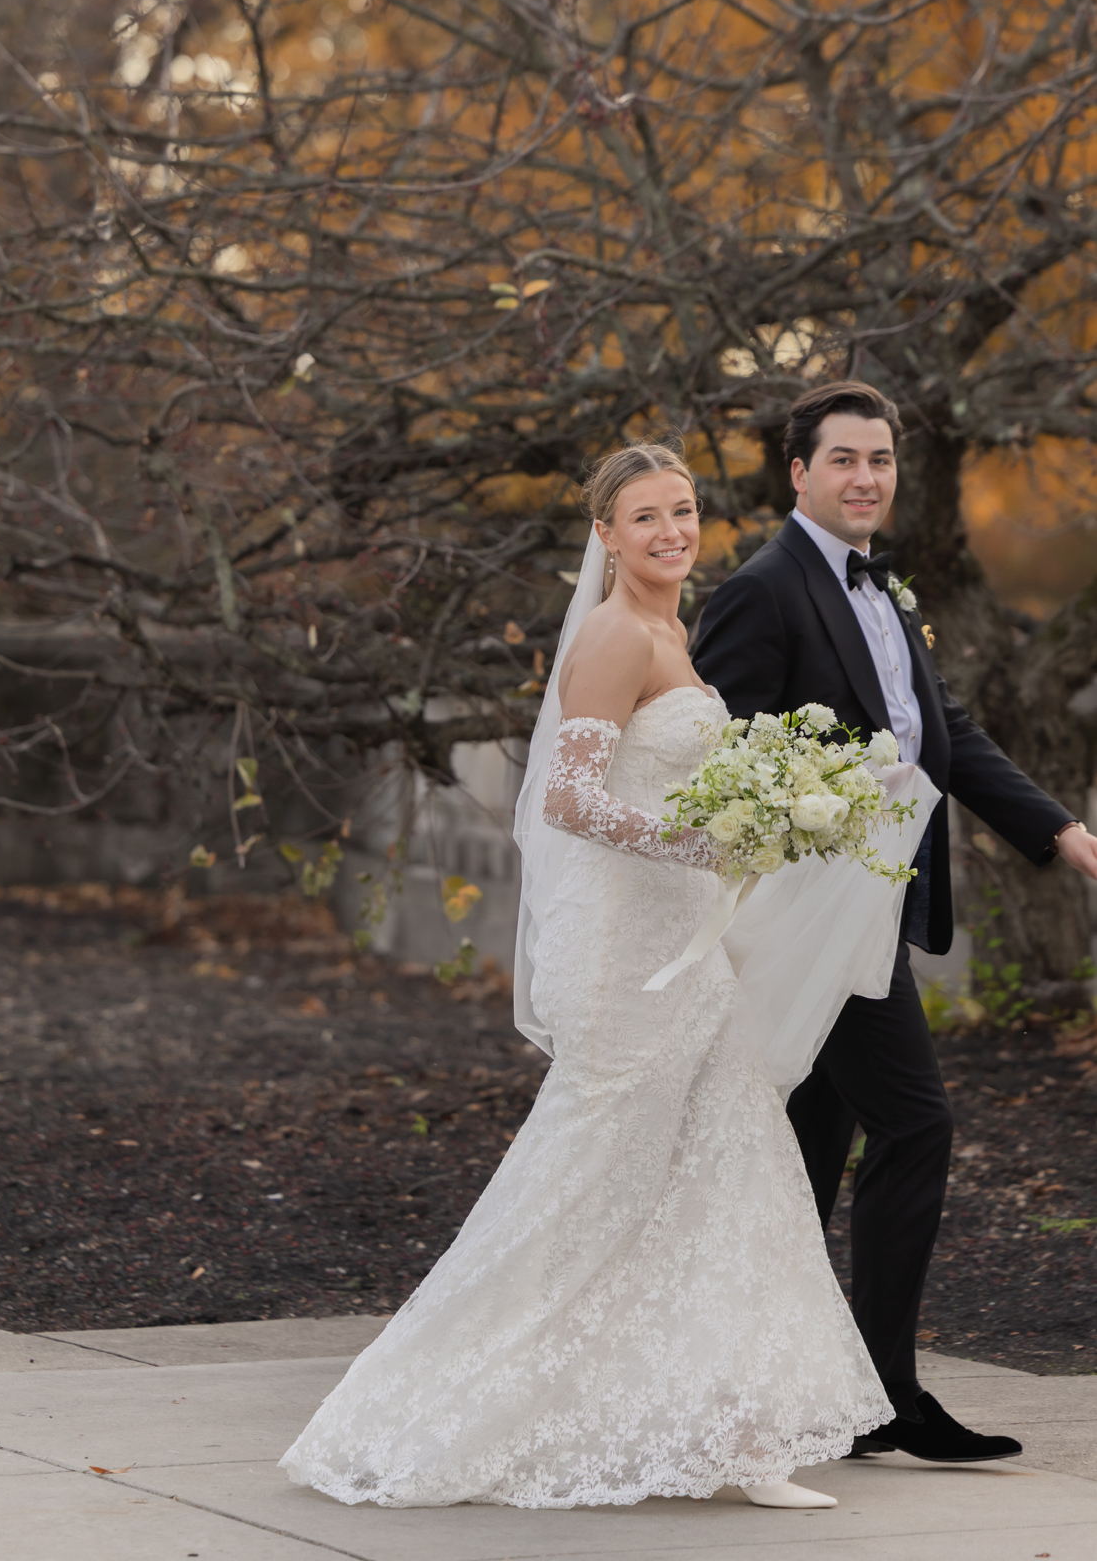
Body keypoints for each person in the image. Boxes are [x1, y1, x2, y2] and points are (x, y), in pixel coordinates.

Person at [281, 441, 897, 1513]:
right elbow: (568, 799)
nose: (670, 531)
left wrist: (769, 810)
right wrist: (702, 842)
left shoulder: (673, 631)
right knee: (583, 1183)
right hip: (624, 955)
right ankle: (424, 1408)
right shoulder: (614, 635)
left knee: (727, 1167)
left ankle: (739, 1436)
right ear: (605, 535)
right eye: (645, 516)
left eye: (683, 510)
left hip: (684, 943)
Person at [693, 379, 1097, 1464]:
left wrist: (1060, 829)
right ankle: (883, 1397)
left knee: (808, 1150)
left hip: (868, 918)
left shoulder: (884, 587)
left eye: (879, 458)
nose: (865, 476)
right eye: (843, 458)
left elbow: (940, 729)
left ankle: (779, 1387)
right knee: (914, 1126)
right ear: (798, 473)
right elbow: (723, 763)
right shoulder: (761, 591)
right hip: (805, 922)